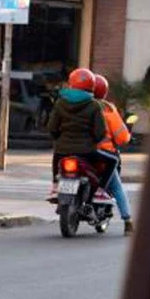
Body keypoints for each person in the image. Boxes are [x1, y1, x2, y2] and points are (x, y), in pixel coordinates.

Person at [46, 68, 115, 200]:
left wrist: (58, 139)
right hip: (87, 151)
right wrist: (94, 141)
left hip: (63, 150)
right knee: (113, 161)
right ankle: (100, 191)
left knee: (57, 156)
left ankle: (55, 187)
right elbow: (100, 132)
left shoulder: (60, 103)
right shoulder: (94, 105)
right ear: (92, 86)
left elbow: (52, 127)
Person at [93, 75, 134, 236]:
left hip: (80, 152)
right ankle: (128, 222)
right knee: (117, 187)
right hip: (104, 154)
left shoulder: (79, 106)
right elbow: (122, 137)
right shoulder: (108, 109)